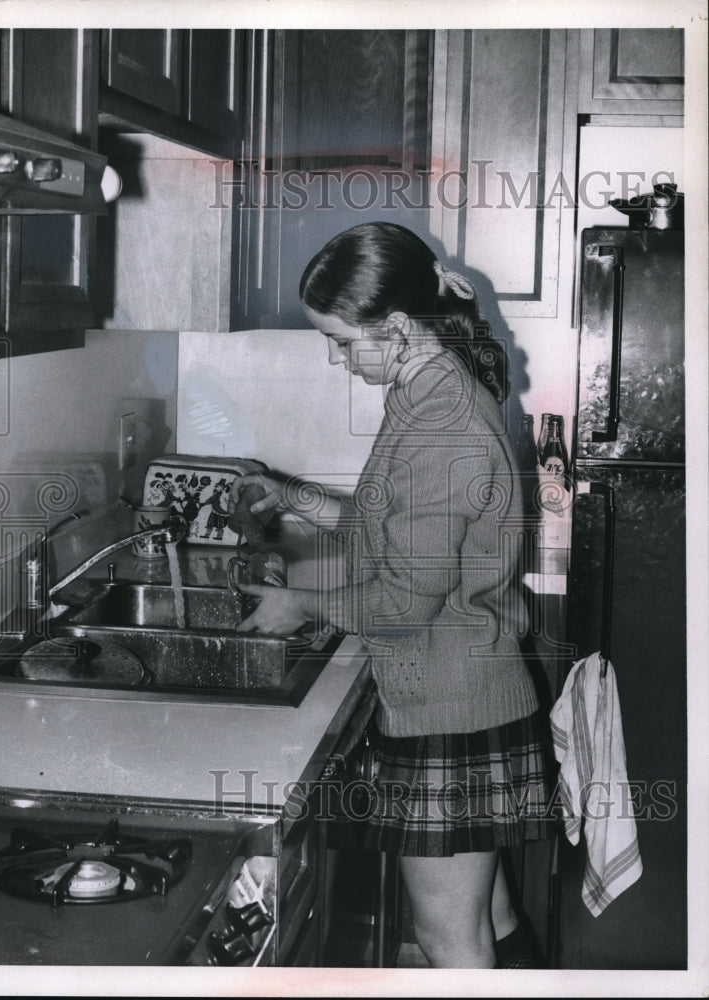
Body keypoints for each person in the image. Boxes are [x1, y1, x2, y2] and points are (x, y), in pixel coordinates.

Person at [229, 222, 552, 969]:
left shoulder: (440, 423)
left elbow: (405, 605)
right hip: (465, 696)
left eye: (343, 342)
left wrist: (302, 605)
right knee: (487, 918)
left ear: (400, 328)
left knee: (450, 940)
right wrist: (294, 497)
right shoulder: (423, 392)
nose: (335, 358)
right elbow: (390, 529)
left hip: (448, 706)